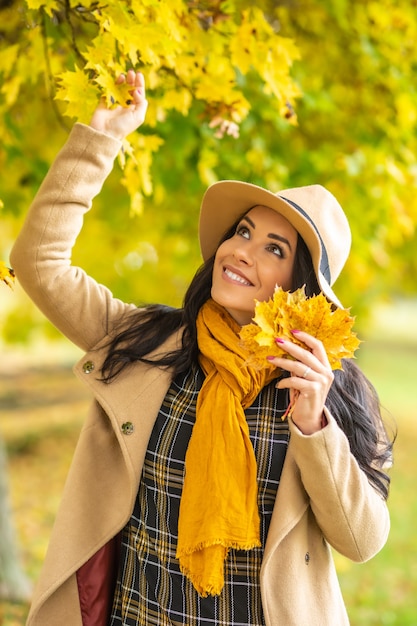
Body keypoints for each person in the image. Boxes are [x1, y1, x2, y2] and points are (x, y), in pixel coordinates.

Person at [11, 70, 393, 626]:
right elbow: (38, 262)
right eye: (241, 232)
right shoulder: (148, 341)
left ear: (300, 284)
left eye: (273, 247)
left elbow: (361, 540)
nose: (241, 251)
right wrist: (100, 139)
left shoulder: (323, 387)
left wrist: (314, 424)